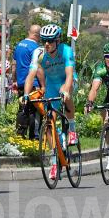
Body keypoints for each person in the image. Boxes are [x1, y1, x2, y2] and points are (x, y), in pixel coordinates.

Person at [23, 24, 78, 180]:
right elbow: (30, 75)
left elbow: (69, 75)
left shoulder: (66, 51)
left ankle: (72, 127)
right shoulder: (39, 53)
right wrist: (26, 95)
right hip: (51, 85)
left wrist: (67, 90)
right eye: (44, 40)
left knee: (64, 93)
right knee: (48, 121)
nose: (46, 44)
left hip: (67, 81)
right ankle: (55, 161)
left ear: (58, 40)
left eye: (50, 41)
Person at [12, 24, 41, 138]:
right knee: (35, 110)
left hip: (21, 82)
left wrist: (14, 80)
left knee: (23, 108)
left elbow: (14, 64)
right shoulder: (36, 48)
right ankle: (34, 137)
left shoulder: (19, 45)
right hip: (34, 83)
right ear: (37, 35)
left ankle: (20, 135)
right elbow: (38, 68)